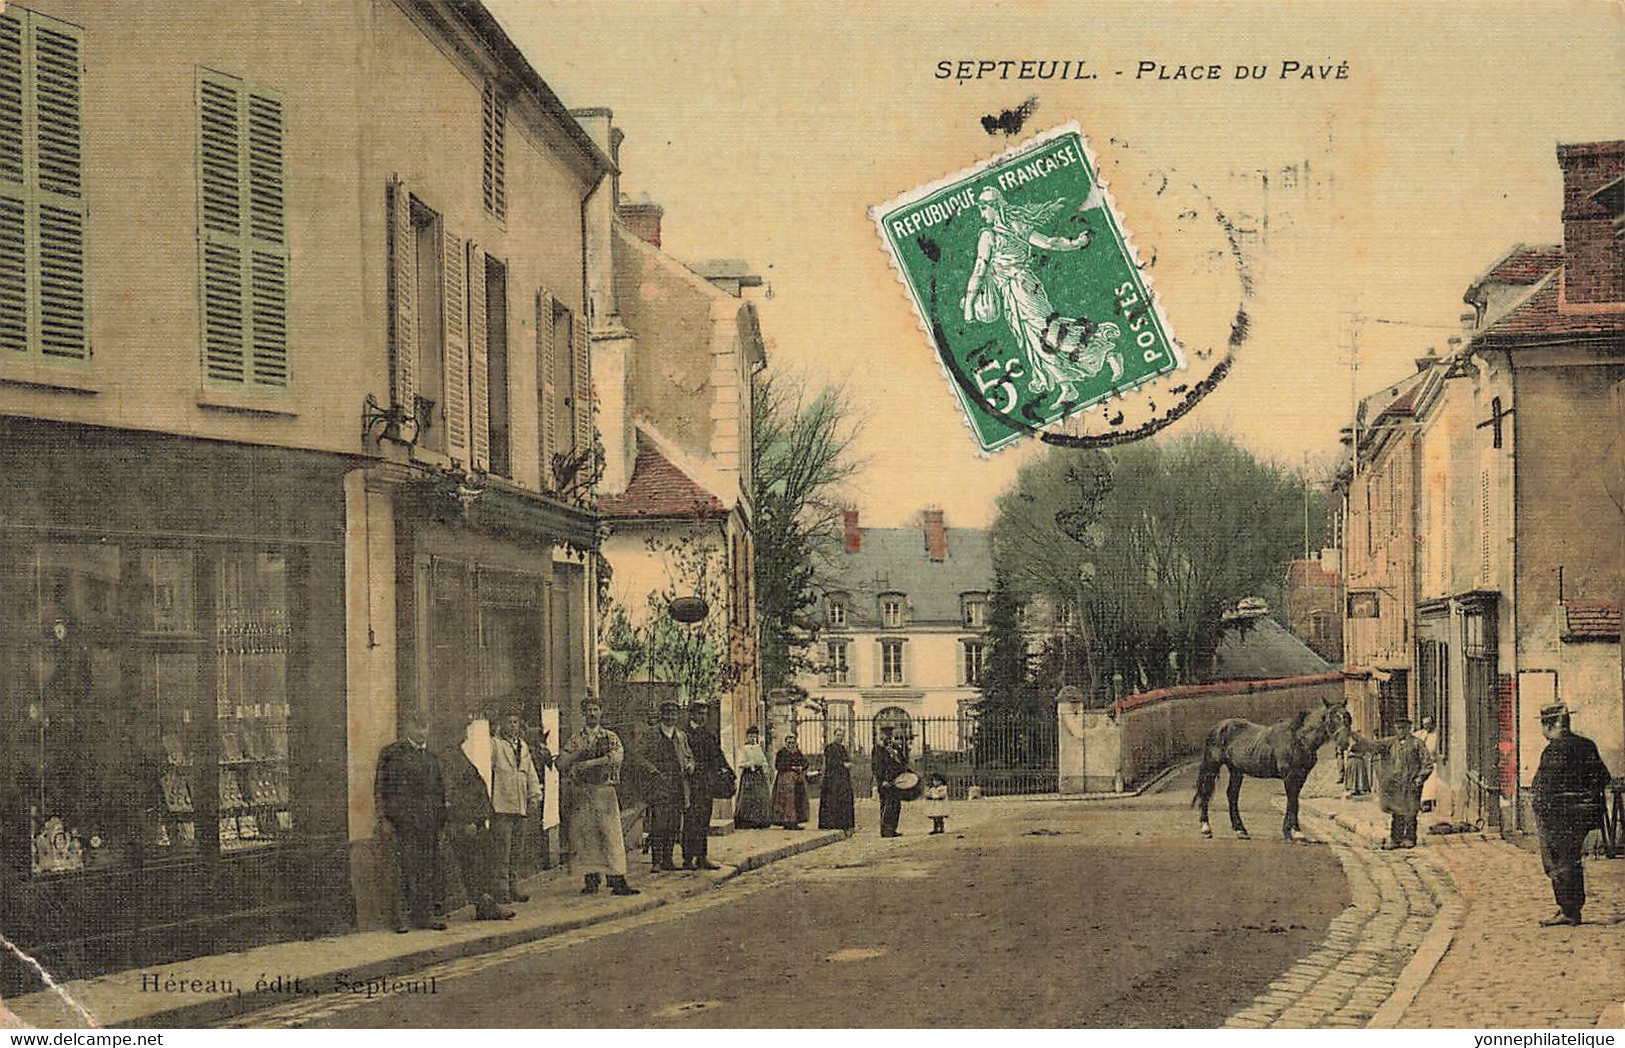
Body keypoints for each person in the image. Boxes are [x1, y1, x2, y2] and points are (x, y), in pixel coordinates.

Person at [960, 186, 1124, 405]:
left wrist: (970, 305)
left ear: (993, 207)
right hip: (1021, 289)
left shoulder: (988, 236)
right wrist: (1075, 243)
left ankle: (1104, 350)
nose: (982, 214)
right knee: (1036, 339)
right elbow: (1049, 243)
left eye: (982, 208)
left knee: (1048, 334)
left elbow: (979, 271)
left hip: (1020, 290)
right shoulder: (1018, 226)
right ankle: (1067, 386)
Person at [1531, 702, 1614, 926]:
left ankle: (1569, 909)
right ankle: (1571, 908)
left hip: (1559, 816)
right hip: (1583, 815)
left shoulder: (1554, 749)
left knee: (1559, 862)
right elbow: (1603, 778)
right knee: (1572, 860)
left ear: (1549, 725)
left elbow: (1546, 787)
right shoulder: (1587, 745)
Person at [556, 696, 638, 896]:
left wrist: (589, 763)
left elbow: (617, 757)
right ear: (583, 714)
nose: (592, 714)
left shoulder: (610, 737)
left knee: (611, 835)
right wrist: (577, 754)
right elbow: (560, 763)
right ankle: (591, 879)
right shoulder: (577, 739)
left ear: (601, 712)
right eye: (588, 710)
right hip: (584, 793)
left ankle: (618, 879)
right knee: (587, 836)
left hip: (604, 791)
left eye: (596, 710)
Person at [374, 715, 448, 932]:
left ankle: (423, 916)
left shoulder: (432, 758)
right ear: (407, 727)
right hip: (401, 822)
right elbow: (380, 787)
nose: (421, 732)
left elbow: (440, 792)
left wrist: (441, 821)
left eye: (425, 727)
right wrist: (384, 818)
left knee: (426, 870)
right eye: (417, 727)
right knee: (401, 871)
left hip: (427, 823)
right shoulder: (392, 754)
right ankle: (399, 919)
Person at [443, 717, 514, 921]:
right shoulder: (449, 757)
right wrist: (468, 821)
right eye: (463, 728)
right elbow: (454, 794)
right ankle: (484, 905)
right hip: (466, 823)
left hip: (475, 821)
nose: (466, 732)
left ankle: (486, 903)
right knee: (473, 865)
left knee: (482, 862)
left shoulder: (457, 754)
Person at [1350, 716, 1433, 849]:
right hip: (1396, 784)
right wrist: (1357, 739)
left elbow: (1428, 764)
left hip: (1411, 783)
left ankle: (1409, 838)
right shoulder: (1390, 743)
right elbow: (1373, 746)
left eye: (1403, 728)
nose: (1400, 731)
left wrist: (1420, 778)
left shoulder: (1417, 743)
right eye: (1398, 728)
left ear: (1408, 728)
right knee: (1397, 812)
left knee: (1410, 812)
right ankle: (1395, 839)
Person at [490, 709, 545, 903]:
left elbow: (529, 773)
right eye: (509, 722)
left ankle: (513, 885)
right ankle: (500, 889)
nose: (512, 726)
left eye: (515, 722)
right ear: (501, 724)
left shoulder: (523, 746)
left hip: (520, 804)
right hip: (502, 804)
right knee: (502, 850)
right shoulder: (494, 745)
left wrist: (534, 795)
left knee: (516, 849)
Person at [632, 699, 694, 872]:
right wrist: (651, 769)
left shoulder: (681, 736)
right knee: (658, 824)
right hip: (658, 785)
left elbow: (689, 756)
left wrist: (690, 765)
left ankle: (668, 860)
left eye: (673, 713)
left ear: (678, 715)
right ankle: (656, 861)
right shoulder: (651, 734)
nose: (670, 716)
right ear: (661, 715)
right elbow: (637, 756)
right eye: (667, 713)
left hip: (677, 785)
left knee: (674, 825)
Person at [682, 698, 728, 870]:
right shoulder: (684, 735)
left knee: (704, 820)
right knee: (690, 821)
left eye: (705, 714)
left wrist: (726, 770)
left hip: (706, 783)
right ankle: (688, 859)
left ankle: (702, 857)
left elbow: (718, 755)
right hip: (691, 784)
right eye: (699, 713)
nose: (702, 717)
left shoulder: (708, 734)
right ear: (691, 714)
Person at [734, 725, 773, 829]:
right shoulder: (745, 749)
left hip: (759, 776)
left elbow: (763, 761)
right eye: (751, 736)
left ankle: (760, 820)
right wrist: (751, 764)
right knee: (748, 798)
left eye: (754, 736)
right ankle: (747, 821)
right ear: (747, 737)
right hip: (749, 776)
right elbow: (740, 763)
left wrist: (766, 770)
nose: (752, 738)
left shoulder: (758, 748)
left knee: (761, 796)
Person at [817, 729, 855, 834]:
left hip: (843, 778)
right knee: (833, 800)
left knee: (844, 800)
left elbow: (845, 759)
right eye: (838, 735)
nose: (840, 737)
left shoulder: (843, 748)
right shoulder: (830, 748)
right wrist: (843, 764)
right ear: (833, 736)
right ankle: (831, 823)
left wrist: (848, 764)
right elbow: (830, 762)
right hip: (832, 779)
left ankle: (843, 824)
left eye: (841, 735)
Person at [873, 726, 908, 838]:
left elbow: (902, 761)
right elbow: (876, 766)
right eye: (885, 735)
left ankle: (893, 828)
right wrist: (882, 780)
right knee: (887, 805)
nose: (887, 737)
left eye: (889, 735)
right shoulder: (878, 749)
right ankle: (886, 830)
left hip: (896, 781)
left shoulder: (894, 747)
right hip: (885, 781)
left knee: (896, 805)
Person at [772, 734, 811, 829]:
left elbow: (805, 762)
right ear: (785, 743)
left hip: (797, 780)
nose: (791, 745)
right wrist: (791, 767)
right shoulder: (781, 753)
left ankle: (795, 821)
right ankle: (786, 821)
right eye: (789, 742)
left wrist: (801, 767)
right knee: (787, 801)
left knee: (797, 800)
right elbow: (778, 765)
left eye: (793, 742)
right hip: (785, 780)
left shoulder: (797, 752)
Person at [1418, 716, 1442, 814]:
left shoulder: (1435, 735)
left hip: (1432, 762)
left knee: (1430, 784)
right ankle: (1422, 803)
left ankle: (1428, 803)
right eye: (1424, 725)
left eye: (1428, 724)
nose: (1426, 726)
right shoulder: (1421, 734)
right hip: (1422, 762)